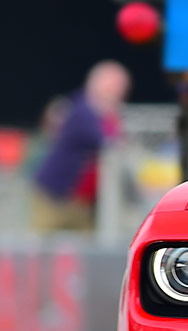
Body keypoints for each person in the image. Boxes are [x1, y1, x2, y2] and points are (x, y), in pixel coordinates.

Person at [33, 60, 129, 231]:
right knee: (44, 248)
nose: (119, 95)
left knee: (86, 246)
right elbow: (105, 142)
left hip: (79, 200)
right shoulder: (83, 109)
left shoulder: (102, 114)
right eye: (115, 88)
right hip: (55, 195)